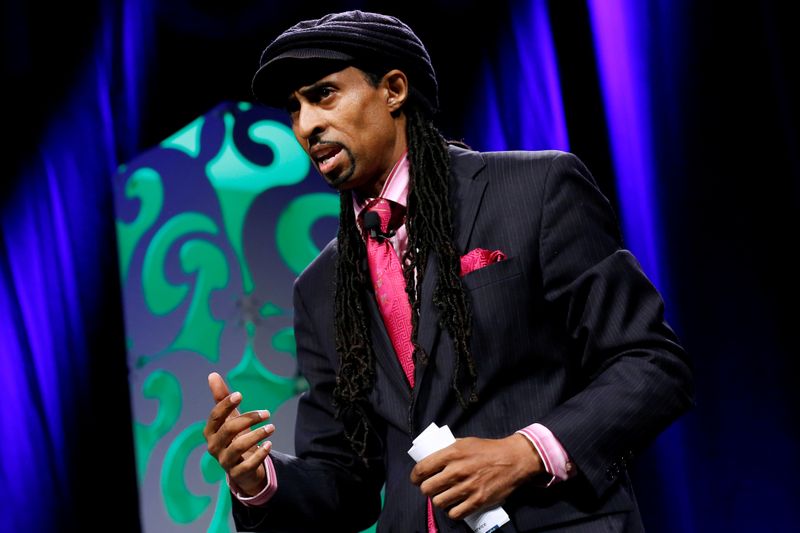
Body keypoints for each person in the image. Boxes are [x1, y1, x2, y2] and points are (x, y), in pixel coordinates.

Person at [203, 10, 693, 533]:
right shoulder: (321, 288)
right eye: (294, 108)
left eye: (324, 94)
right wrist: (259, 482)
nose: (306, 125)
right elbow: (347, 480)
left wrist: (528, 451)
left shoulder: (537, 190)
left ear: (393, 90)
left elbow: (650, 362)